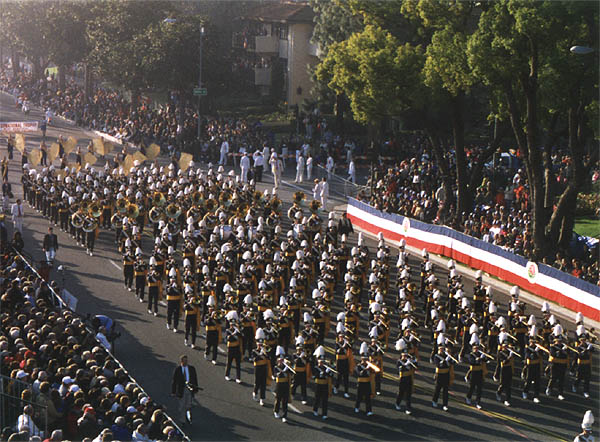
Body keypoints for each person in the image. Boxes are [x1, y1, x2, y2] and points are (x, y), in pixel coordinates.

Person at [171, 355, 199, 425]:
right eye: (184, 360)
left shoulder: (191, 368)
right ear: (181, 361)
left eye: (186, 360)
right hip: (181, 390)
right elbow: (174, 381)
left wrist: (196, 388)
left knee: (188, 405)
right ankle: (182, 420)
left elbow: (195, 379)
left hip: (189, 389)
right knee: (182, 406)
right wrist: (173, 391)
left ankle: (188, 417)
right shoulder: (178, 369)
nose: (186, 362)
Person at [272, 346, 292, 423]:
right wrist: (282, 372)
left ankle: (284, 415)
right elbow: (276, 375)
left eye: (282, 360)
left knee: (285, 401)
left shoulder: (287, 367)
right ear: (278, 361)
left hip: (286, 385)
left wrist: (288, 367)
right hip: (279, 385)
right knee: (278, 399)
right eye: (280, 360)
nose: (281, 361)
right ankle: (276, 411)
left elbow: (291, 373)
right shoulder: (276, 367)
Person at [354, 343, 374, 416]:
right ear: (361, 359)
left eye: (366, 359)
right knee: (359, 396)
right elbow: (359, 374)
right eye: (364, 360)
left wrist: (372, 367)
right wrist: (365, 369)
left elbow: (372, 373)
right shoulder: (358, 366)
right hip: (361, 383)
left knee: (368, 397)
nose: (365, 361)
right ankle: (357, 407)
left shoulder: (369, 366)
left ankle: (369, 410)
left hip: (367, 383)